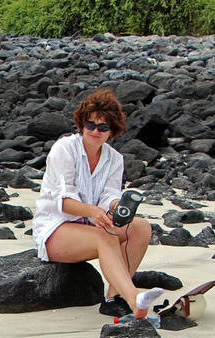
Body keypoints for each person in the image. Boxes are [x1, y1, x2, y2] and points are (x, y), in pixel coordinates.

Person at [32, 88, 163, 319]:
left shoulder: (114, 158)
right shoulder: (65, 149)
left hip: (90, 225)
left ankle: (113, 298)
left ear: (112, 130)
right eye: (90, 125)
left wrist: (115, 207)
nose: (95, 131)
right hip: (55, 228)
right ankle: (135, 300)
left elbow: (109, 195)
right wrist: (93, 212)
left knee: (141, 227)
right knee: (105, 237)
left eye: (103, 127)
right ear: (81, 124)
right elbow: (64, 201)